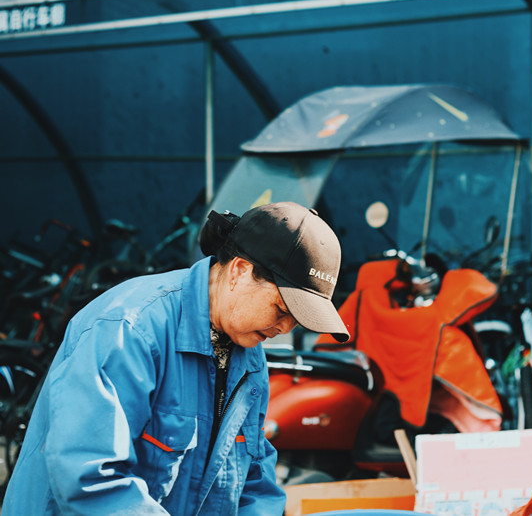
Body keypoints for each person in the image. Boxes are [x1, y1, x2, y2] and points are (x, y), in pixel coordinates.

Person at [2, 201, 350, 515]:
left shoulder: (249, 357)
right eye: (282, 309)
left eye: (297, 320)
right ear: (239, 271)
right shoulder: (128, 329)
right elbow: (90, 479)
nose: (285, 328)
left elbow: (254, 482)